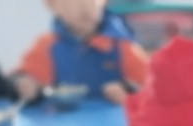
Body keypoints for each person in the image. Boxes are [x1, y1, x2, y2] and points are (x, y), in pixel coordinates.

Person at [14, 0, 149, 105]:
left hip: (114, 125)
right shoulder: (47, 45)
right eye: (73, 2)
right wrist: (26, 84)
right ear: (53, 6)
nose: (84, 8)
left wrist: (128, 89)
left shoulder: (122, 44)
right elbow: (27, 78)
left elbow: (149, 83)